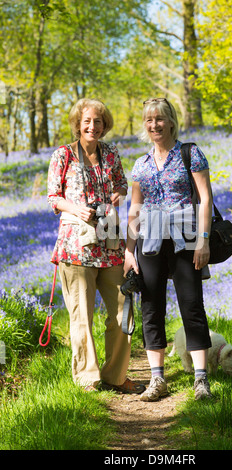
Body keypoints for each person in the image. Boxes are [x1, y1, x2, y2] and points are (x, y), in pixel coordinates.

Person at [47, 98, 145, 394]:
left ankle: (115, 375)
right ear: (78, 124)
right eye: (87, 121)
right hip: (76, 247)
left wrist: (117, 194)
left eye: (98, 121)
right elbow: (53, 198)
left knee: (123, 311)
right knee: (81, 317)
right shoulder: (63, 155)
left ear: (105, 125)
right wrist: (77, 209)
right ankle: (88, 379)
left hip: (111, 244)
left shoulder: (111, 153)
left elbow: (122, 184)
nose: (92, 126)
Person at [124, 97, 212, 401]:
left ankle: (201, 380)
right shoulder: (140, 164)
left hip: (186, 239)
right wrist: (127, 250)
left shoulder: (191, 154)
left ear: (171, 122)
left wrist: (203, 240)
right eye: (149, 120)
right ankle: (157, 380)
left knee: (191, 305)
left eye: (159, 119)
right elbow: (135, 208)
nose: (154, 125)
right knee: (151, 308)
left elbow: (205, 198)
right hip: (149, 242)